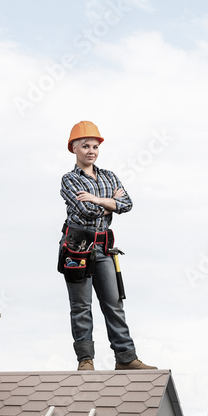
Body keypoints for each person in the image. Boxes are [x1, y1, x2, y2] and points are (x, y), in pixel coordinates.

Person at [60, 120, 156, 371]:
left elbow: (127, 204)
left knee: (114, 303)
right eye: (85, 146)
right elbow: (87, 210)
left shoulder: (109, 176)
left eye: (95, 146)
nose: (91, 150)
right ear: (74, 148)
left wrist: (96, 198)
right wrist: (108, 201)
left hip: (104, 248)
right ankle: (85, 360)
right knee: (81, 306)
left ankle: (125, 357)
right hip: (77, 248)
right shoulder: (69, 180)